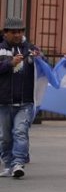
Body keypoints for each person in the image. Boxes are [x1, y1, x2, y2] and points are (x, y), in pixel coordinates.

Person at [0, 17, 47, 179]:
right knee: (5, 137)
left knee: (20, 132)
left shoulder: (30, 49)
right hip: (3, 102)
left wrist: (40, 57)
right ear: (5, 33)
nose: (18, 34)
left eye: (20, 31)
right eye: (14, 32)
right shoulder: (1, 50)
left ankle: (18, 163)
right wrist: (9, 63)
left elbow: (44, 65)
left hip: (25, 101)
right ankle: (7, 164)